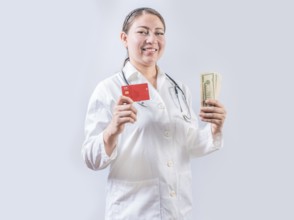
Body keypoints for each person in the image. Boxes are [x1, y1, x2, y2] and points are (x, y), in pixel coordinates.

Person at [82, 7, 227, 220]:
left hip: (178, 212)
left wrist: (214, 129)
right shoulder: (108, 90)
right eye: (143, 32)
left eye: (159, 32)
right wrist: (111, 131)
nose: (152, 39)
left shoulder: (178, 90)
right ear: (124, 38)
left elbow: (190, 145)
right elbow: (90, 158)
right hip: (134, 211)